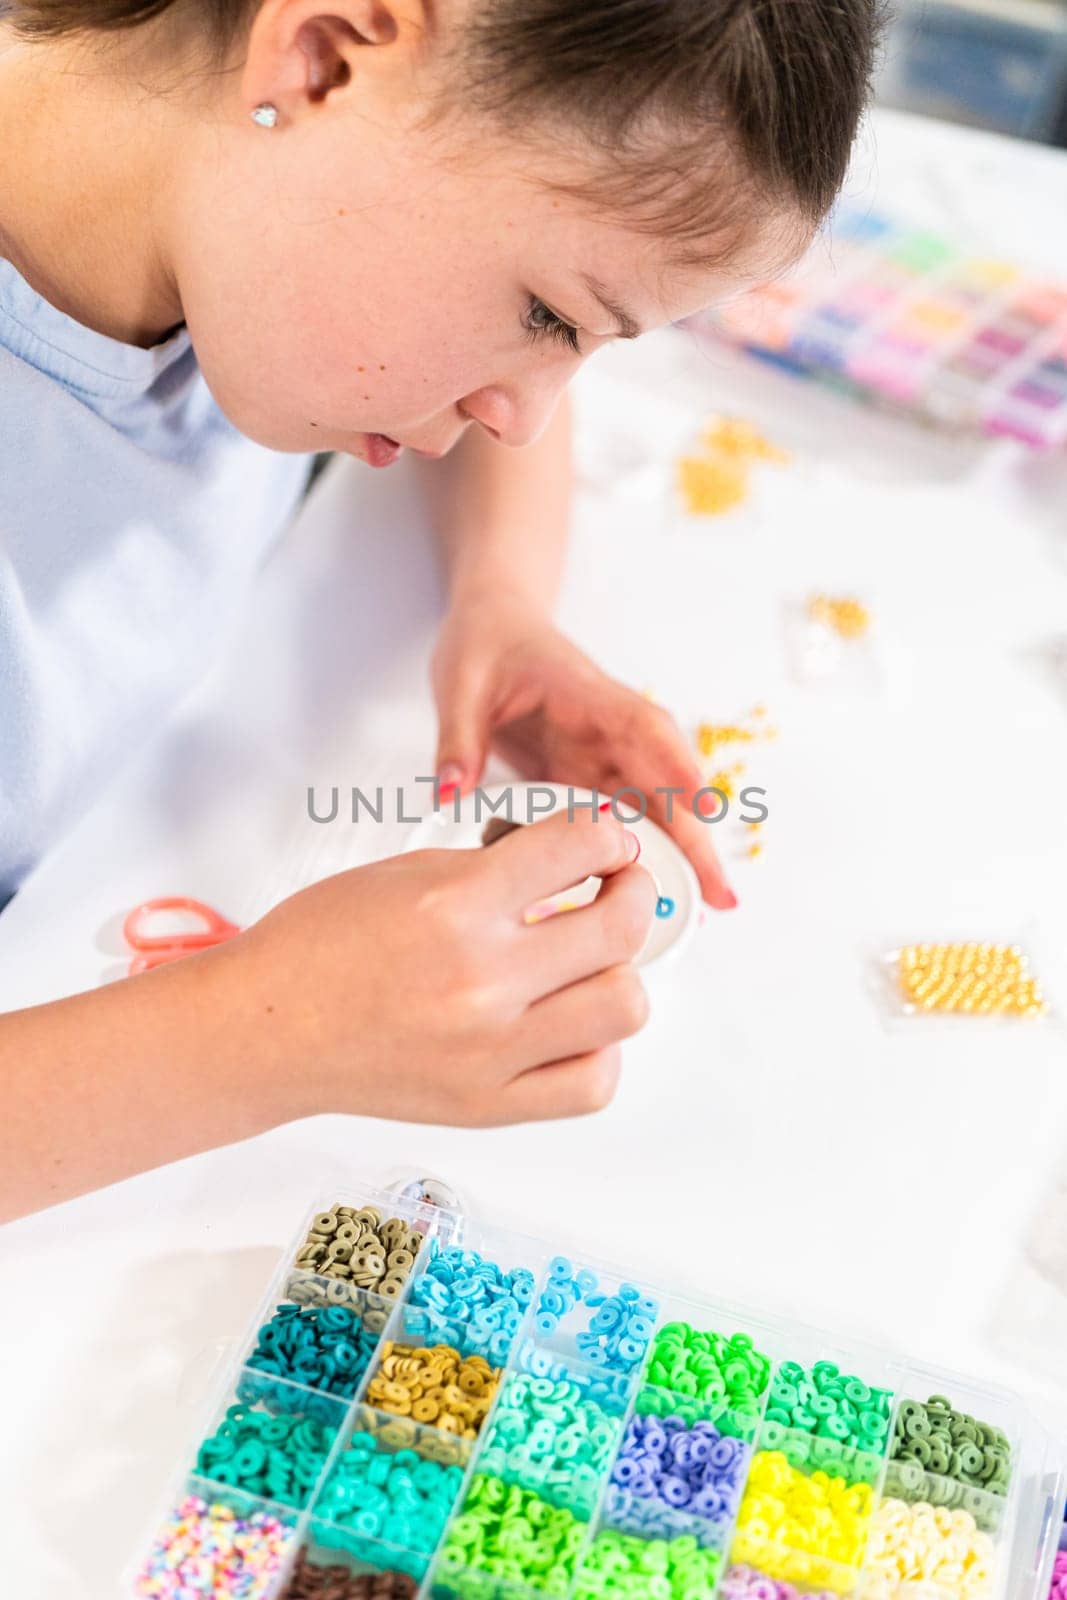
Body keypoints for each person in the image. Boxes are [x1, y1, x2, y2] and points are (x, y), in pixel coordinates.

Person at [0, 0, 879, 1220]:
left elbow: (467, 267)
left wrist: (501, 594)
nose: (525, 413)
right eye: (547, 318)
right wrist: (271, 1031)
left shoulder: (219, 195)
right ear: (321, 56)